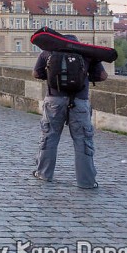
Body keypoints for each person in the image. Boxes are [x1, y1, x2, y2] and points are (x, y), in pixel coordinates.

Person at [32, 34, 107, 189]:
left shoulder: (48, 51)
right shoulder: (86, 52)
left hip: (54, 100)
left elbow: (36, 73)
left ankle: (44, 174)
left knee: (49, 137)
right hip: (79, 101)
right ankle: (86, 182)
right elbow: (102, 76)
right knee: (82, 140)